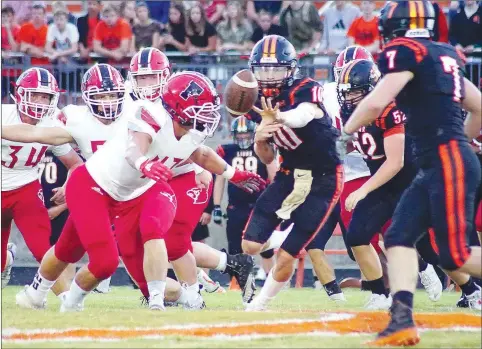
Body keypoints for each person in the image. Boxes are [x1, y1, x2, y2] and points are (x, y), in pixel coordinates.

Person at [343, 1, 482, 346]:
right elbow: (479, 107)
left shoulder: (407, 53)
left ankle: (402, 318)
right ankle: (401, 320)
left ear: (394, 28)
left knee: (456, 255)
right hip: (441, 157)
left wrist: (349, 126)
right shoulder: (443, 57)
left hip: (443, 157)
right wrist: (459, 142)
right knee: (399, 237)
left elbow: (376, 102)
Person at [127, 48, 260, 303]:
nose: (147, 84)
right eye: (142, 78)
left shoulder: (183, 98)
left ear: (165, 76)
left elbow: (196, 150)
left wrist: (207, 171)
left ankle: (191, 294)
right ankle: (230, 266)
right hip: (150, 179)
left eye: (153, 77)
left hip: (185, 175)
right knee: (150, 240)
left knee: (172, 242)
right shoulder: (129, 103)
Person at [242, 35, 343, 311]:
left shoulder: (305, 88)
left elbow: (303, 115)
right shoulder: (256, 99)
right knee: (250, 245)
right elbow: (267, 156)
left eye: (276, 69)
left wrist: (279, 117)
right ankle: (278, 236)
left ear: (291, 69)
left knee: (287, 256)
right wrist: (259, 138)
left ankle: (260, 303)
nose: (270, 76)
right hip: (289, 173)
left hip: (324, 177)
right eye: (264, 70)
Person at [338, 59, 444, 309]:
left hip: (408, 184)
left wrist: (363, 189)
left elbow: (395, 162)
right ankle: (379, 294)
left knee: (425, 246)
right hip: (384, 187)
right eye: (346, 92)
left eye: (353, 91)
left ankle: (471, 289)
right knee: (357, 236)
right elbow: (364, 143)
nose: (349, 98)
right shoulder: (354, 111)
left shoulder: (389, 109)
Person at [1, 68, 83, 298]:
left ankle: (65, 297)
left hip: (25, 187)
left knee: (41, 248)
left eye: (45, 96)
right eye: (35, 94)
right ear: (19, 94)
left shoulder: (52, 123)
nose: (39, 101)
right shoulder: (4, 114)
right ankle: (8, 258)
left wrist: (68, 185)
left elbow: (75, 163)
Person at [213, 116, 278, 285]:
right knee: (234, 246)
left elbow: (275, 177)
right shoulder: (226, 150)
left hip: (259, 205)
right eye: (239, 134)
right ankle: (236, 282)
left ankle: (273, 281)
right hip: (236, 206)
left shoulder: (261, 147)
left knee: (265, 247)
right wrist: (217, 206)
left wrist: (274, 203)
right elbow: (219, 179)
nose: (242, 138)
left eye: (246, 134)